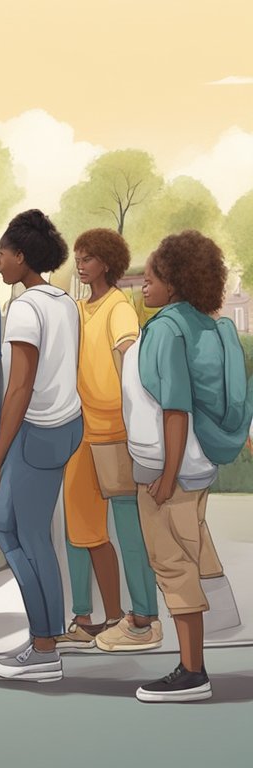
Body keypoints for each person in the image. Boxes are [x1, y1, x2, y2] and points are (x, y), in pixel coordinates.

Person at [125, 231, 252, 703]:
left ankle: (192, 671)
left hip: (170, 466)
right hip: (201, 465)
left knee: (172, 563)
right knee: (192, 543)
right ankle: (215, 630)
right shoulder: (208, 324)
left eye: (152, 278)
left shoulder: (165, 327)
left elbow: (174, 408)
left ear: (174, 283)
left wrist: (165, 475)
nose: (143, 285)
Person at [0, 210, 83, 684]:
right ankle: (48, 630)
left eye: (2, 253)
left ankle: (44, 646)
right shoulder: (63, 301)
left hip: (38, 431)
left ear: (21, 257)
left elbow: (18, 390)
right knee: (5, 522)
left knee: (33, 535)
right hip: (66, 424)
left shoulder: (24, 308)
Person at [59, 229, 161, 654]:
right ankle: (87, 619)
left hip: (116, 432)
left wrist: (138, 421)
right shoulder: (79, 308)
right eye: (78, 258)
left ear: (107, 263)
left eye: (88, 258)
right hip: (82, 431)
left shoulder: (119, 307)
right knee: (78, 528)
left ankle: (145, 620)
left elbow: (129, 360)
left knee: (128, 530)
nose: (80, 264)